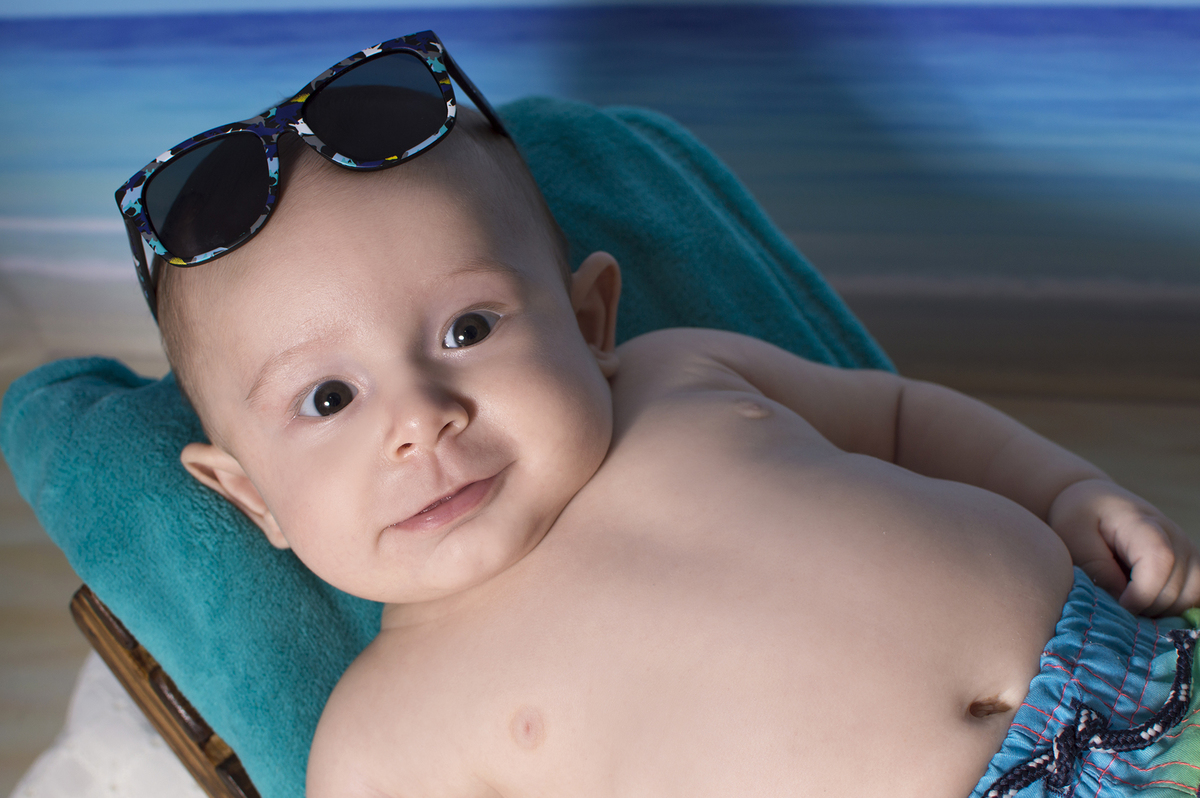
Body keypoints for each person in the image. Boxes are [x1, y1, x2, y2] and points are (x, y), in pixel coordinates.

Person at [117, 31, 1200, 798]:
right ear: (249, 492)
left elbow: (904, 418)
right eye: (329, 398)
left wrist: (1066, 490)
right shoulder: (384, 734)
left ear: (591, 318)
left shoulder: (682, 376)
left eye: (466, 330)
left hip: (1143, 671)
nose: (421, 420)